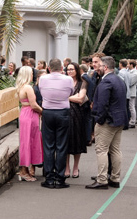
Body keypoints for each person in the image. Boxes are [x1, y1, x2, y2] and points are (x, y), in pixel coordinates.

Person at [86, 56, 128, 190]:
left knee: (101, 150)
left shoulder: (106, 82)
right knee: (115, 149)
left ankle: (102, 179)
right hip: (119, 120)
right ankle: (115, 178)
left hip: (108, 121)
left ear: (105, 67)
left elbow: (102, 104)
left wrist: (99, 119)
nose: (97, 68)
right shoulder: (119, 80)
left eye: (99, 66)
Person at [38, 57, 73, 189]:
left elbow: (41, 92)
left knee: (48, 145)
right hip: (62, 112)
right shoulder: (68, 79)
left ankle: (49, 177)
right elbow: (71, 92)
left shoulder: (43, 79)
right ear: (62, 68)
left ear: (49, 68)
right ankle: (59, 177)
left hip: (48, 112)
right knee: (61, 145)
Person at [16, 66, 43, 181]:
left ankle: (25, 170)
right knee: (30, 141)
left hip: (24, 113)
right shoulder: (28, 87)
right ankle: (24, 171)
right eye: (31, 73)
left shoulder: (20, 87)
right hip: (30, 115)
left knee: (25, 141)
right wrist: (43, 111)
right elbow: (34, 105)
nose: (33, 75)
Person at [65, 62, 88, 179]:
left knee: (77, 141)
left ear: (77, 70)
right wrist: (74, 97)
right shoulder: (64, 82)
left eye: (72, 69)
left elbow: (80, 99)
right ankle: (67, 167)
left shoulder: (82, 82)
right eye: (68, 69)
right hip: (65, 114)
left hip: (78, 115)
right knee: (66, 141)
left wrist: (66, 98)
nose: (69, 71)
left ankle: (75, 167)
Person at [128, 60, 137, 128]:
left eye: (128, 64)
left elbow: (130, 83)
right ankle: (131, 120)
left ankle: (133, 121)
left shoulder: (135, 73)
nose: (127, 65)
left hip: (132, 92)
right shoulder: (129, 71)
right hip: (129, 92)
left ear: (131, 65)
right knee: (130, 107)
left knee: (131, 107)